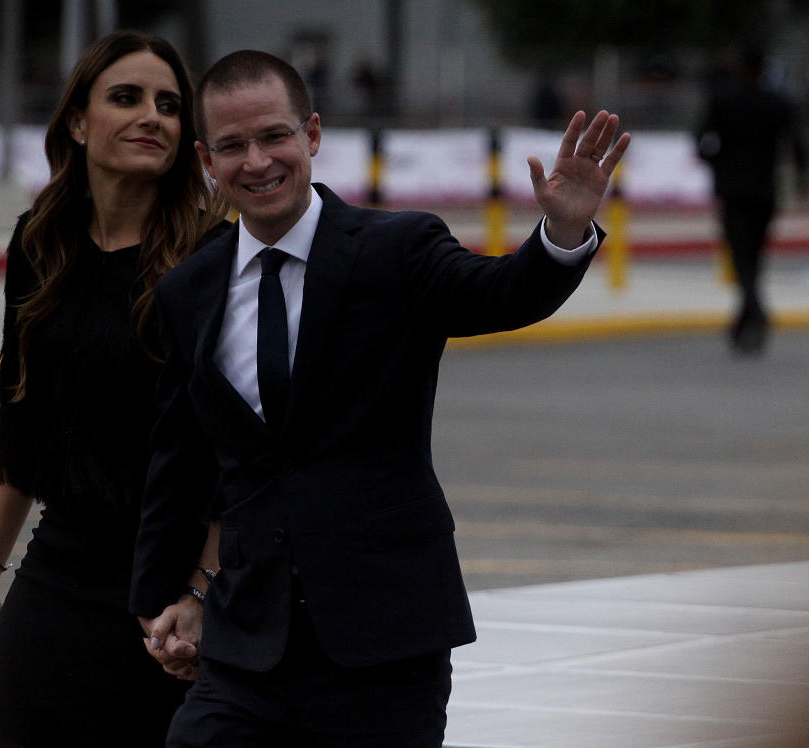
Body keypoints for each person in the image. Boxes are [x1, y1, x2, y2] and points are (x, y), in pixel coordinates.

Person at [130, 50, 629, 747]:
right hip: (248, 645)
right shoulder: (189, 291)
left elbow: (501, 293)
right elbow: (178, 459)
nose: (257, 161)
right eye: (233, 146)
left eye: (273, 136)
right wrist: (162, 595)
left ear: (311, 135)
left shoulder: (395, 249)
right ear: (206, 160)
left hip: (385, 641)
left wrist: (561, 234)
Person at [0, 31, 226, 747]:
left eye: (170, 105)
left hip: (168, 595)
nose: (153, 116)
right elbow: (19, 419)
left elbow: (232, 447)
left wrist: (201, 591)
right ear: (77, 121)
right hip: (59, 567)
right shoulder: (39, 242)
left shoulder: (211, 256)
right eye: (127, 97)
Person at [697, 46, 806, 354]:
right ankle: (748, 318)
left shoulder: (723, 100)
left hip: (732, 189)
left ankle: (754, 311)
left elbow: (701, 142)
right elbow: (797, 145)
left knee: (740, 252)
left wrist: (718, 165)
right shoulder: (779, 103)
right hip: (765, 189)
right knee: (754, 254)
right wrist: (799, 182)